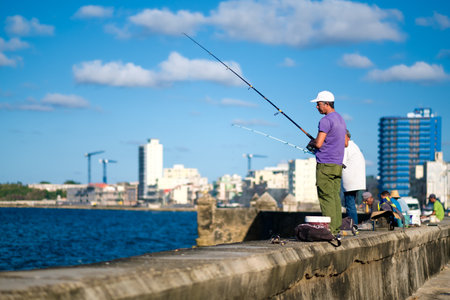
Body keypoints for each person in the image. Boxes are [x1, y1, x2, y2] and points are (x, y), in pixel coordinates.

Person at [309, 90, 347, 235]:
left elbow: (318, 144)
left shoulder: (325, 120)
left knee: (326, 197)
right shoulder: (341, 119)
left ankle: (330, 229)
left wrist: (313, 143)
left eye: (318, 104)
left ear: (326, 104)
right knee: (335, 196)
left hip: (325, 164)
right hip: (337, 164)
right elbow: (344, 142)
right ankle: (336, 228)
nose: (317, 107)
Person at [342, 129, 366, 224]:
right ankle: (353, 224)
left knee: (349, 204)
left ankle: (353, 225)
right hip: (356, 180)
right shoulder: (354, 146)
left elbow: (340, 162)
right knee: (351, 203)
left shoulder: (346, 147)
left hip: (350, 181)